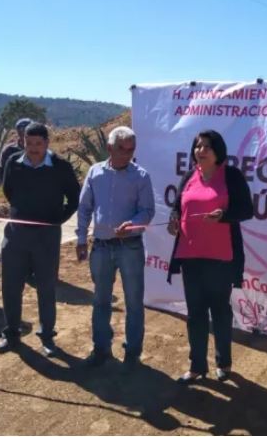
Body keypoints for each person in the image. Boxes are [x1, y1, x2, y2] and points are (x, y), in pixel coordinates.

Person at [166, 130, 253, 384]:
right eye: (197, 146)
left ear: (218, 152)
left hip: (221, 258)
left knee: (220, 312)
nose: (200, 151)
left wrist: (223, 216)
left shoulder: (232, 176)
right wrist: (173, 221)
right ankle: (196, 366)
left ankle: (223, 363)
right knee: (195, 313)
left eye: (206, 147)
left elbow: (246, 210)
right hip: (190, 255)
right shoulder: (189, 176)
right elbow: (177, 208)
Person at [0, 122, 80, 356]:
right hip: (16, 235)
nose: (32, 148)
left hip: (47, 237)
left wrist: (57, 220)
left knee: (46, 287)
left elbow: (74, 198)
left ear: (47, 143)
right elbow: (8, 191)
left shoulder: (60, 166)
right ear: (22, 141)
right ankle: (11, 333)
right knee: (11, 286)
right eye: (28, 143)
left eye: (38, 144)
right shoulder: (14, 163)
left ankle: (47, 336)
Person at [75, 125, 155, 369]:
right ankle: (101, 349)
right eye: (122, 149)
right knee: (100, 300)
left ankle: (132, 353)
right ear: (109, 148)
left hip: (129, 247)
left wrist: (133, 224)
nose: (127, 154)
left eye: (131, 149)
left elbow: (148, 210)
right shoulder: (95, 172)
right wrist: (80, 239)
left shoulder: (140, 176)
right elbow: (85, 207)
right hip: (100, 247)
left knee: (133, 302)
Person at [0, 117, 33, 184]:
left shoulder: (39, 149)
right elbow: (2, 171)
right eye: (23, 131)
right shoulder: (9, 150)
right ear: (19, 132)